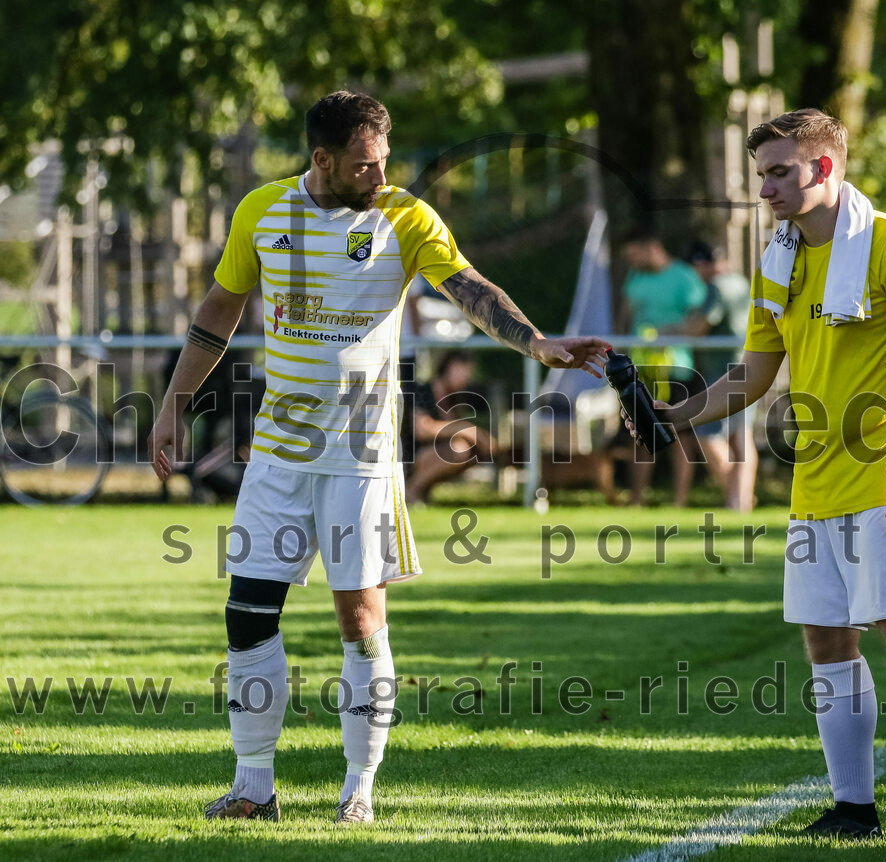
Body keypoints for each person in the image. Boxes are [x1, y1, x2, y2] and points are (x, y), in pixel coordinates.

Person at [147, 90, 609, 825]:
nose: (380, 175)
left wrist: (537, 343)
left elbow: (469, 288)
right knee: (246, 616)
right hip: (279, 453)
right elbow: (219, 309)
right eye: (366, 164)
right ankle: (254, 787)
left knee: (360, 622)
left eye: (384, 160)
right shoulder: (262, 211)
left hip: (361, 456)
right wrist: (175, 403)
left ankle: (358, 789)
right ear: (323, 159)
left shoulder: (404, 216)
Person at [628, 109, 886, 842]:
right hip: (815, 485)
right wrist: (674, 416)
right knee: (826, 644)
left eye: (780, 172)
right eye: (762, 174)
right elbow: (752, 376)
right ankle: (854, 809)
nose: (766, 189)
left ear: (825, 167)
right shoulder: (778, 259)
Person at [619, 229, 707, 506]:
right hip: (641, 370)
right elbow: (625, 317)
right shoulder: (636, 276)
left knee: (679, 431)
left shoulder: (684, 277)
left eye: (635, 254)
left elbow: (699, 322)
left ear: (652, 247)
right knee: (639, 431)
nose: (632, 261)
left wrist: (666, 333)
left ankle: (679, 501)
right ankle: (637, 499)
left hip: (676, 369)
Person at [686, 241, 759, 511]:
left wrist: (668, 332)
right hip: (750, 368)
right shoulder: (741, 282)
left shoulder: (717, 287)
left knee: (709, 435)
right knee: (742, 436)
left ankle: (737, 496)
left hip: (725, 371)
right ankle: (741, 500)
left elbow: (699, 328)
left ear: (702, 264)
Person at [405, 349, 494, 504]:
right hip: (409, 455)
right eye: (465, 370)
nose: (468, 377)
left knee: (473, 451)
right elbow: (422, 429)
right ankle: (410, 491)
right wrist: (466, 429)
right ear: (451, 366)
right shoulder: (423, 390)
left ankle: (423, 491)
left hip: (429, 453)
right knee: (458, 449)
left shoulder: (455, 399)